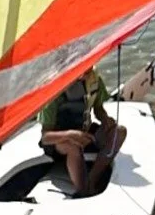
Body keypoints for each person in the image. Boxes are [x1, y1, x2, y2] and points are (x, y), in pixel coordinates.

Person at [39, 65, 126, 197]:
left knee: (119, 132)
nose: (86, 72)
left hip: (85, 132)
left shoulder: (94, 79)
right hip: (60, 141)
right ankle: (83, 189)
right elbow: (45, 137)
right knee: (73, 146)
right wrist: (71, 135)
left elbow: (98, 109)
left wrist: (105, 119)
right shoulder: (53, 90)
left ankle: (92, 179)